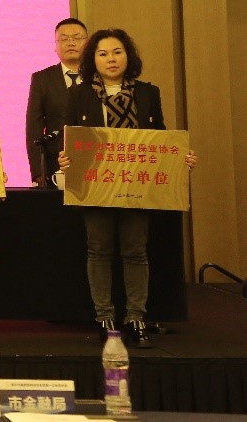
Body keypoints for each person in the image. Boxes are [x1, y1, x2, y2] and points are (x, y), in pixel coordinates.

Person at [56, 28, 197, 347]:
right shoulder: (79, 94)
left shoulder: (148, 93)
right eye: (103, 53)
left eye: (117, 52)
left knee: (135, 251)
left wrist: (180, 158)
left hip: (138, 185)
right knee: (99, 250)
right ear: (93, 59)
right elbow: (70, 138)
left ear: (128, 56)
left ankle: (136, 316)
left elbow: (160, 139)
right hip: (95, 185)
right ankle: (104, 316)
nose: (111, 59)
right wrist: (65, 158)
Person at [25, 18, 89, 188]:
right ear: (55, 45)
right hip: (55, 164)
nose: (71, 43)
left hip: (92, 160)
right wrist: (38, 173)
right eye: (64, 39)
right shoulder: (42, 79)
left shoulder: (98, 77)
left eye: (77, 37)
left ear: (88, 44)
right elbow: (34, 127)